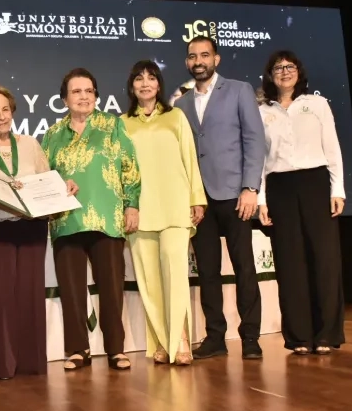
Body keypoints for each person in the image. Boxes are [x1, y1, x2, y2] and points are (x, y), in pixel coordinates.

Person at [0, 84, 78, 379]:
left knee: (30, 294)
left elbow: (47, 181)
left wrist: (63, 188)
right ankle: (2, 366)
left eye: (5, 109)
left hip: (31, 227)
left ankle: (31, 363)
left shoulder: (31, 144)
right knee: (0, 298)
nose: (2, 116)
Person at [173, 36, 267, 360]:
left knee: (245, 268)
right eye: (192, 56)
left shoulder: (240, 90)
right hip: (200, 200)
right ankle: (215, 337)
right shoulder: (181, 104)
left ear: (217, 59)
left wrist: (251, 188)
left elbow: (255, 141)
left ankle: (251, 337)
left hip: (236, 195)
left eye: (204, 55)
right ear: (187, 62)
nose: (198, 60)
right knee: (208, 272)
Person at [41, 68, 141, 371]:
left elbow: (130, 168)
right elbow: (45, 177)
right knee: (71, 291)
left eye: (89, 91)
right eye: (76, 91)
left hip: (107, 219)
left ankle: (115, 349)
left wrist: (131, 206)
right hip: (66, 220)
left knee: (111, 288)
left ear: (96, 96)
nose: (84, 96)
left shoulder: (112, 125)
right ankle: (77, 350)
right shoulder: (52, 134)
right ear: (64, 98)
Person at [257, 50, 346, 355]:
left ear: (299, 72)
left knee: (324, 260)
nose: (284, 72)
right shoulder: (262, 111)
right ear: (270, 75)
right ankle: (298, 337)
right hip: (279, 187)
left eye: (289, 67)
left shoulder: (317, 104)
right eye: (278, 68)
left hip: (316, 183)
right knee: (290, 263)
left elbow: (332, 147)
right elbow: (261, 161)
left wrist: (338, 190)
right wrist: (261, 199)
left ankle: (327, 334)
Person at [121, 60, 207, 366]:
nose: (145, 84)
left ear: (159, 84)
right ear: (131, 86)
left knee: (176, 278)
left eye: (151, 78)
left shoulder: (176, 117)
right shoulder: (123, 123)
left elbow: (190, 158)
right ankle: (160, 342)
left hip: (175, 206)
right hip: (140, 212)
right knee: (149, 283)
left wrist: (197, 198)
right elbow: (120, 171)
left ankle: (180, 341)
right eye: (139, 79)